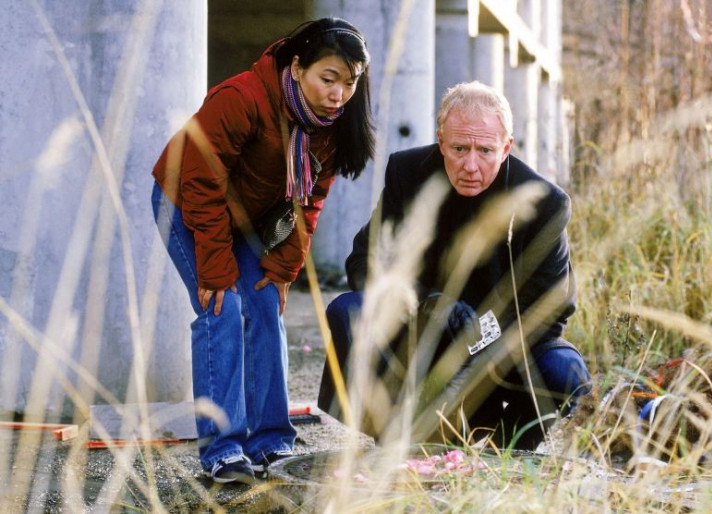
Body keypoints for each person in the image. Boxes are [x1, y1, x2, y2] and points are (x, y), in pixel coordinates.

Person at [151, 18, 374, 483]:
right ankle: (223, 451)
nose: (339, 95)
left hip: (250, 215)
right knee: (223, 307)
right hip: (188, 201)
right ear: (298, 67)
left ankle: (271, 441)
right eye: (328, 79)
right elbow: (201, 183)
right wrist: (216, 270)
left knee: (264, 301)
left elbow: (309, 201)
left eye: (350, 83)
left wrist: (282, 266)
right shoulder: (242, 98)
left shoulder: (331, 125)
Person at [317, 81, 591, 450]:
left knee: (565, 371)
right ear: (441, 141)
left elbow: (551, 309)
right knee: (348, 310)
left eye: (485, 150)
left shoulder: (546, 202)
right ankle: (395, 438)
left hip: (500, 348)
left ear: (506, 147)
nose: (471, 166)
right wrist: (428, 301)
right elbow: (364, 262)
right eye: (459, 148)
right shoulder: (407, 172)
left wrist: (478, 334)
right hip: (421, 331)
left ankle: (504, 451)